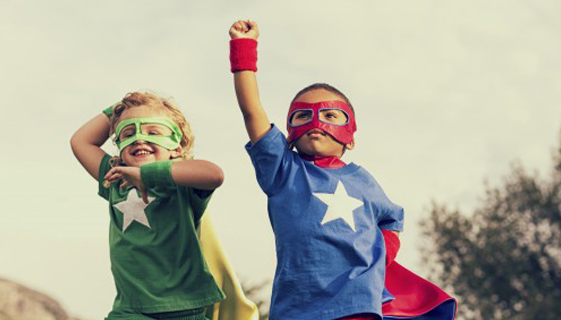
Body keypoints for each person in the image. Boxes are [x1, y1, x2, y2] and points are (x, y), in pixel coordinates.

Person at [228, 19, 456, 320]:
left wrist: (382, 256)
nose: (316, 122)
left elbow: (392, 218)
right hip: (298, 305)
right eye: (302, 116)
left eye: (330, 114)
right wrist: (244, 49)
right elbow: (252, 111)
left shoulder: (362, 180)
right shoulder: (283, 171)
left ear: (351, 135)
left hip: (357, 302)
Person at [70, 92, 227, 320]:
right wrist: (119, 108)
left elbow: (215, 174)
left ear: (177, 146)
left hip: (184, 308)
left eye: (153, 132)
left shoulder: (182, 182)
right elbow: (80, 141)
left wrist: (147, 174)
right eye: (128, 133)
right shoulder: (114, 179)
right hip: (130, 311)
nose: (140, 139)